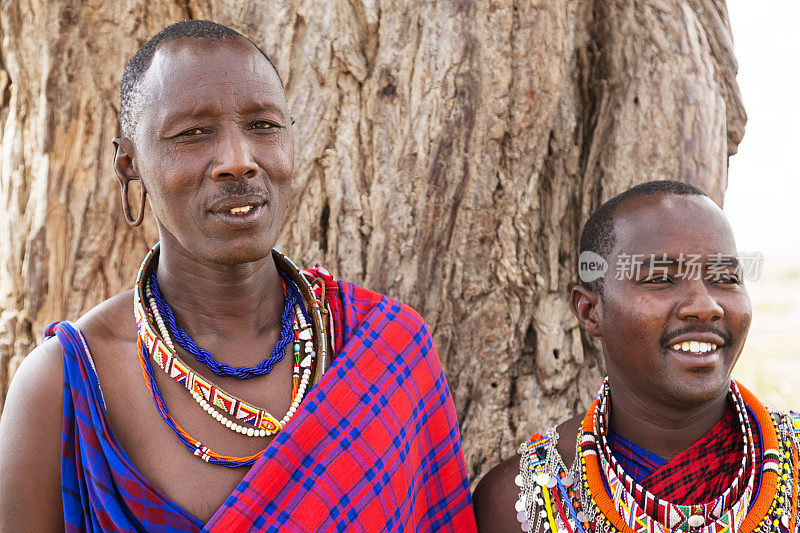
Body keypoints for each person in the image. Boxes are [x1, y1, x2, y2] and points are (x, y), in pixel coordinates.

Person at [0, 20, 476, 532]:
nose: (237, 161)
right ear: (128, 164)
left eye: (263, 126)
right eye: (193, 134)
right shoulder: (65, 386)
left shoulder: (388, 350)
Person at [472, 180, 800, 533]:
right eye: (660, 279)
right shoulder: (519, 502)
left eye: (725, 277)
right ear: (589, 311)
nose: (705, 306)